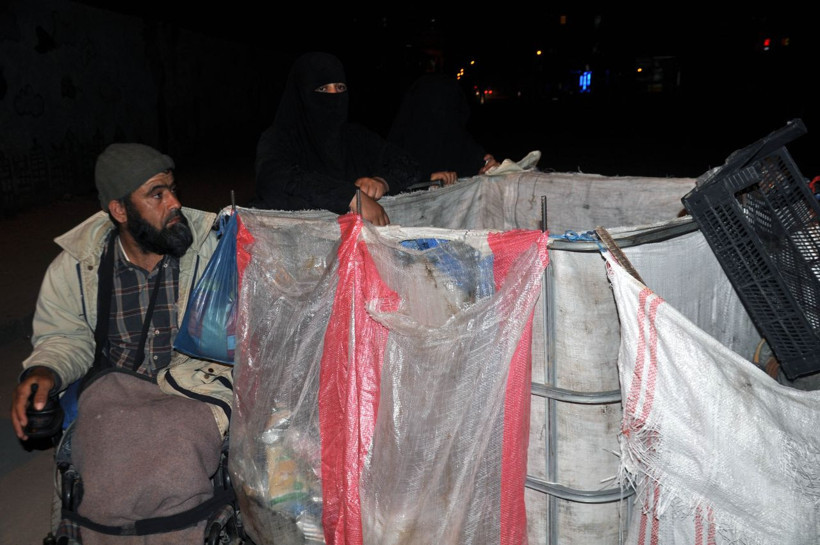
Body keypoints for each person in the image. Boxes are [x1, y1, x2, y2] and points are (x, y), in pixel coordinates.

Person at [10, 143, 233, 544]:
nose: (176, 203)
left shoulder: (215, 250)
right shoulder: (80, 265)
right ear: (119, 210)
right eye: (157, 194)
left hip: (192, 390)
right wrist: (44, 372)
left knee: (175, 454)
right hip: (113, 393)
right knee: (107, 449)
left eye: (172, 189)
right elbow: (65, 336)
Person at [253, 51, 454, 226]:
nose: (334, 97)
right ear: (302, 94)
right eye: (323, 89)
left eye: (340, 88)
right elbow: (274, 178)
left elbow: (406, 162)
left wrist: (382, 182)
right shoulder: (279, 139)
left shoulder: (355, 137)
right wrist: (350, 197)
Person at [387, 72, 499, 181]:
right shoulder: (396, 151)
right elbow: (389, 180)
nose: (440, 114)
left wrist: (489, 169)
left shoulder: (461, 142)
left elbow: (482, 165)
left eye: (448, 108)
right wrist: (426, 180)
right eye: (430, 108)